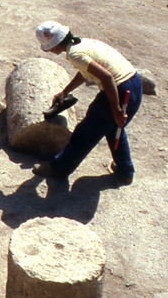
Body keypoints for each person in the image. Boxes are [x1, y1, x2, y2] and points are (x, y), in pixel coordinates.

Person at [30, 20, 142, 183]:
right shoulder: (83, 43)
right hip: (134, 84)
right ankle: (125, 172)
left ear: (54, 45)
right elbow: (86, 72)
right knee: (114, 130)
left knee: (86, 132)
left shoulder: (75, 54)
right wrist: (65, 91)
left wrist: (117, 110)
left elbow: (107, 77)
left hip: (119, 90)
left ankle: (58, 168)